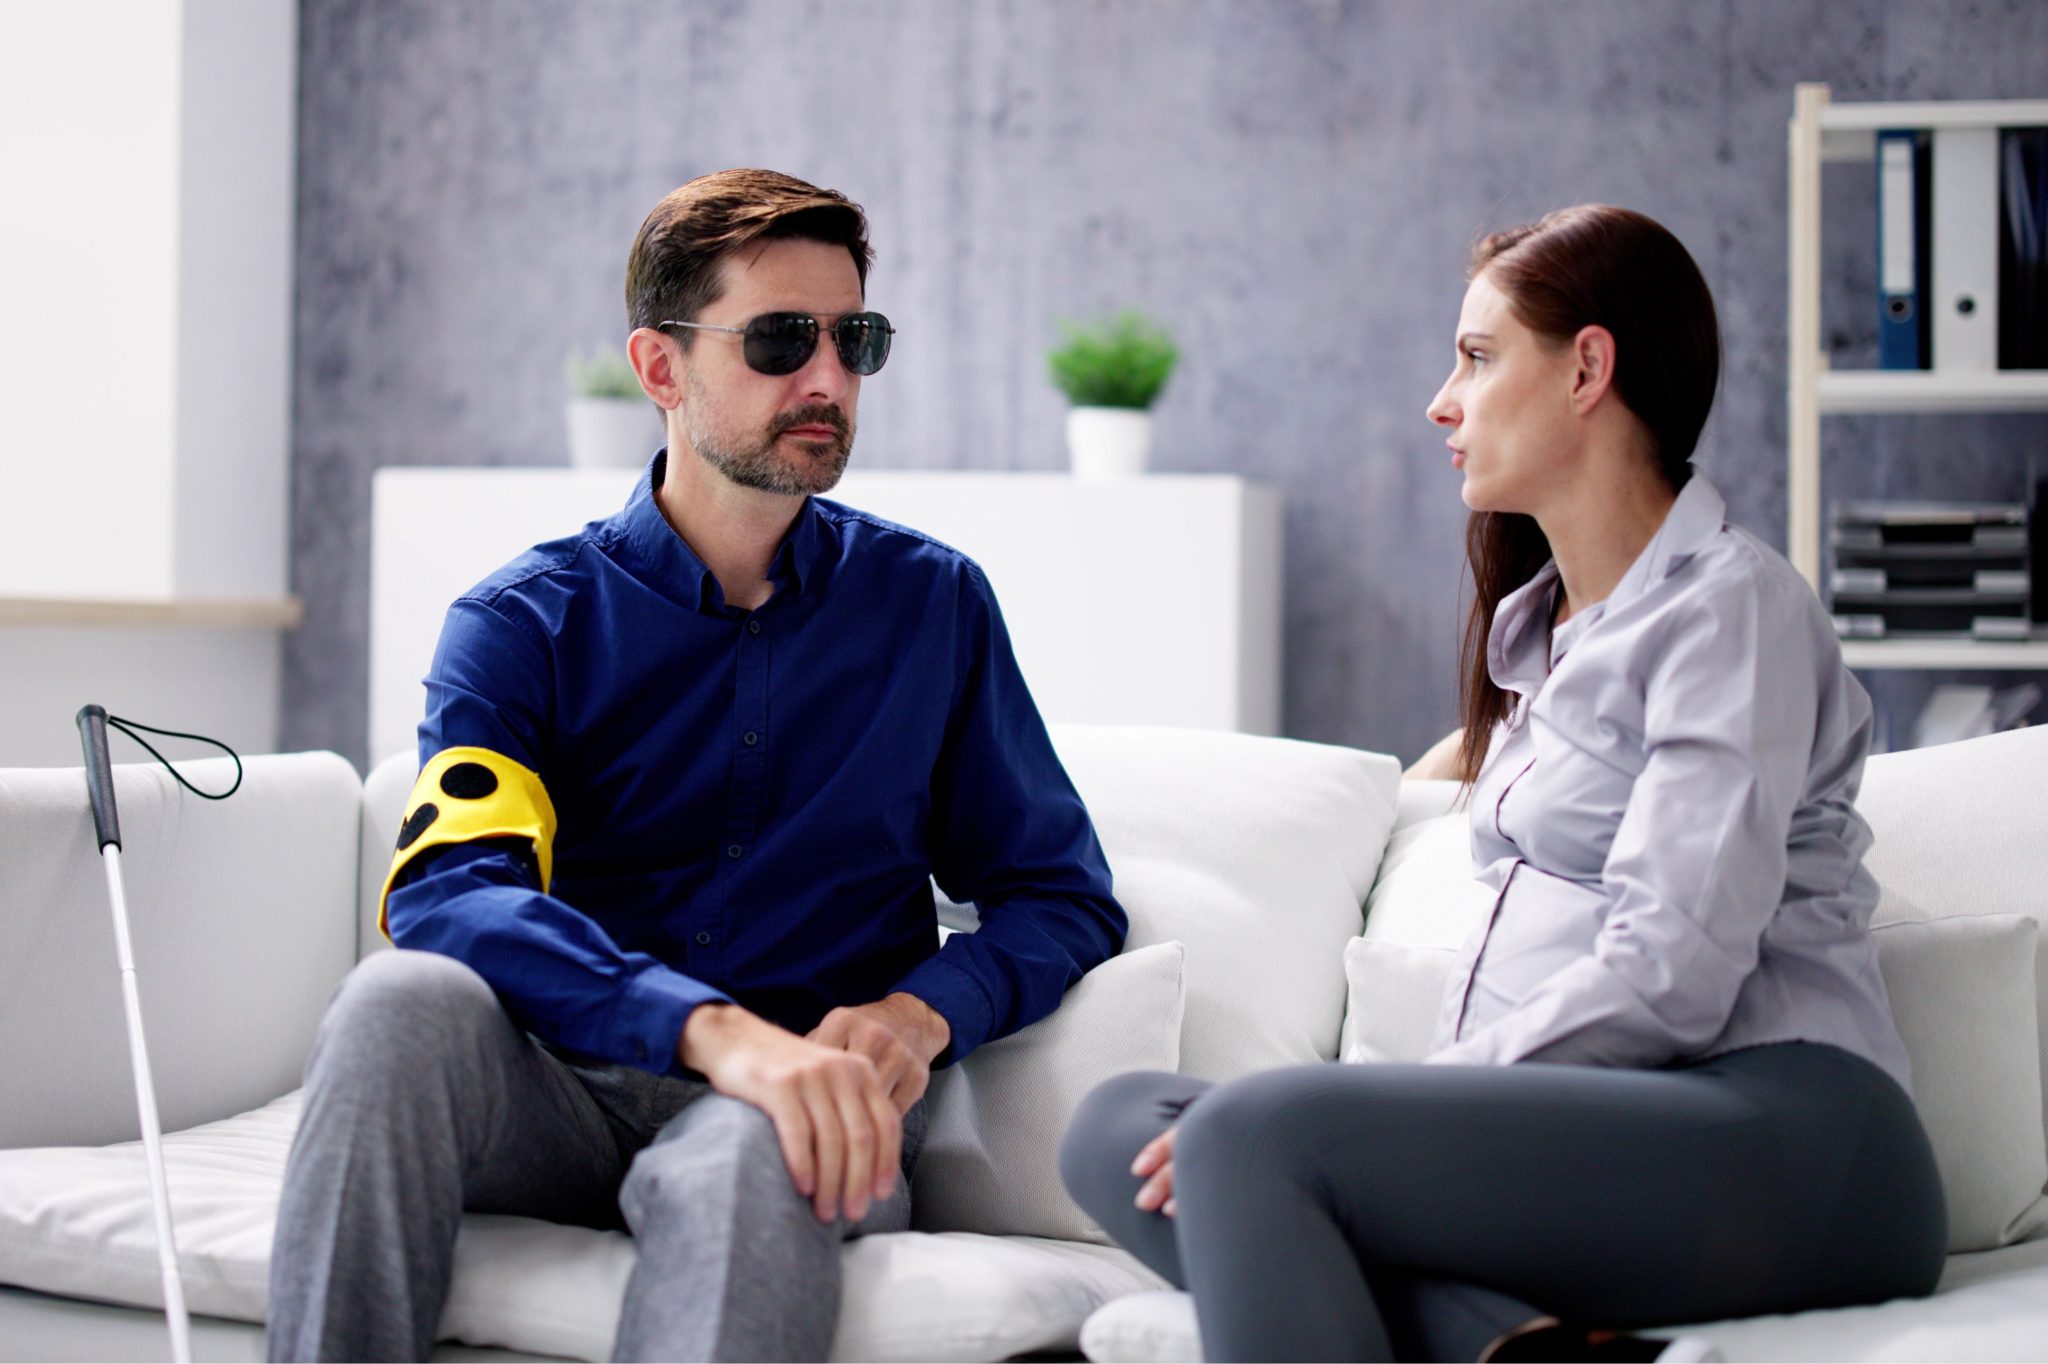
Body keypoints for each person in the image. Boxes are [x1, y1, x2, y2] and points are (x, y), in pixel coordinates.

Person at [1059, 205, 1946, 1363]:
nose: (1442, 400)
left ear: (1585, 369)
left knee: (1250, 1136)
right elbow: (1508, 776)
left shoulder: (1728, 610)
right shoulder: (1546, 647)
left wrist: (1405, 1102)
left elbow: (1672, 969)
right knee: (1114, 1125)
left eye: (1476, 357)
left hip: (1788, 1138)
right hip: (1610, 1133)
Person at [268, 169, 1126, 1363]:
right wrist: (706, 1027)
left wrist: (921, 1010)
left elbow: (1060, 894)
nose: (826, 380)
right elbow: (449, 893)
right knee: (393, 1001)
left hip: (796, 1102)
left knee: (756, 1139)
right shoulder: (521, 623)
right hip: (559, 1086)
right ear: (660, 367)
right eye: (779, 340)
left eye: (854, 340)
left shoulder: (932, 606)